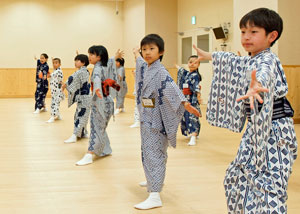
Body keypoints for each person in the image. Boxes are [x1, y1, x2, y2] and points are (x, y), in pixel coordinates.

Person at [193, 8, 297, 213]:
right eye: (242, 32)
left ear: (272, 36)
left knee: (269, 187)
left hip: (275, 133)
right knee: (236, 177)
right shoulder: (252, 58)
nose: (246, 37)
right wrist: (212, 56)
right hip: (257, 131)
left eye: (253, 32)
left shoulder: (268, 60)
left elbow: (264, 73)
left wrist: (258, 83)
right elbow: (235, 61)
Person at [133, 34, 200, 210]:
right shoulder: (148, 68)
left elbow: (172, 89)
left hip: (156, 120)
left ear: (161, 51)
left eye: (151, 49)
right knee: (149, 151)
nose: (147, 53)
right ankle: (152, 179)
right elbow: (140, 65)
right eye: (144, 49)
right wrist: (135, 55)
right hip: (148, 117)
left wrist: (185, 104)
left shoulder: (160, 71)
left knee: (154, 153)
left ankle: (154, 194)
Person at [76, 46, 122, 166]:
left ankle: (90, 153)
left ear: (99, 57)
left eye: (92, 54)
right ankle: (105, 149)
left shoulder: (97, 68)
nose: (89, 57)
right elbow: (110, 61)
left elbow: (96, 79)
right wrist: (115, 56)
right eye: (89, 54)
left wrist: (97, 88)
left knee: (96, 127)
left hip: (100, 101)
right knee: (100, 127)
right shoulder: (105, 64)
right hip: (108, 101)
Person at [62, 54, 91, 143]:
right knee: (83, 115)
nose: (75, 62)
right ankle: (83, 133)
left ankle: (75, 135)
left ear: (83, 63)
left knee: (80, 116)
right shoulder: (85, 71)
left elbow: (71, 78)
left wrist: (64, 85)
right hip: (85, 97)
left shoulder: (80, 72)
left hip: (83, 97)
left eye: (77, 60)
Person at [176, 55, 202, 145]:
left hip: (192, 99)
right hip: (185, 98)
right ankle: (192, 133)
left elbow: (196, 87)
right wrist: (177, 67)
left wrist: (198, 96)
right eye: (190, 62)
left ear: (198, 65)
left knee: (192, 117)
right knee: (186, 116)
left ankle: (193, 136)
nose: (192, 64)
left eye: (195, 63)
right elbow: (182, 71)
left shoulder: (195, 76)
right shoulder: (187, 74)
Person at [46, 58, 64, 123]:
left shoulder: (58, 71)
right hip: (54, 91)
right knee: (56, 103)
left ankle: (52, 116)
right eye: (53, 63)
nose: (54, 64)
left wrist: (48, 75)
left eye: (56, 63)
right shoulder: (55, 71)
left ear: (60, 64)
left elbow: (51, 75)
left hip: (57, 91)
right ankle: (58, 115)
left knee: (54, 104)